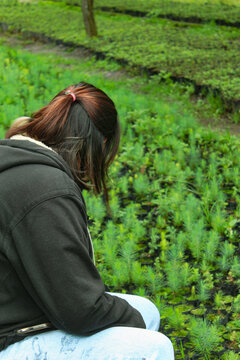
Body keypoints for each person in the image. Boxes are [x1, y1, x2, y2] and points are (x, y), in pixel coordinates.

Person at [0, 82, 174, 360]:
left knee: (146, 310)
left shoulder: (15, 159)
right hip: (8, 338)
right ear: (102, 144)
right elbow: (80, 310)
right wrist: (134, 326)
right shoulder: (47, 190)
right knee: (153, 347)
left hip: (13, 312)